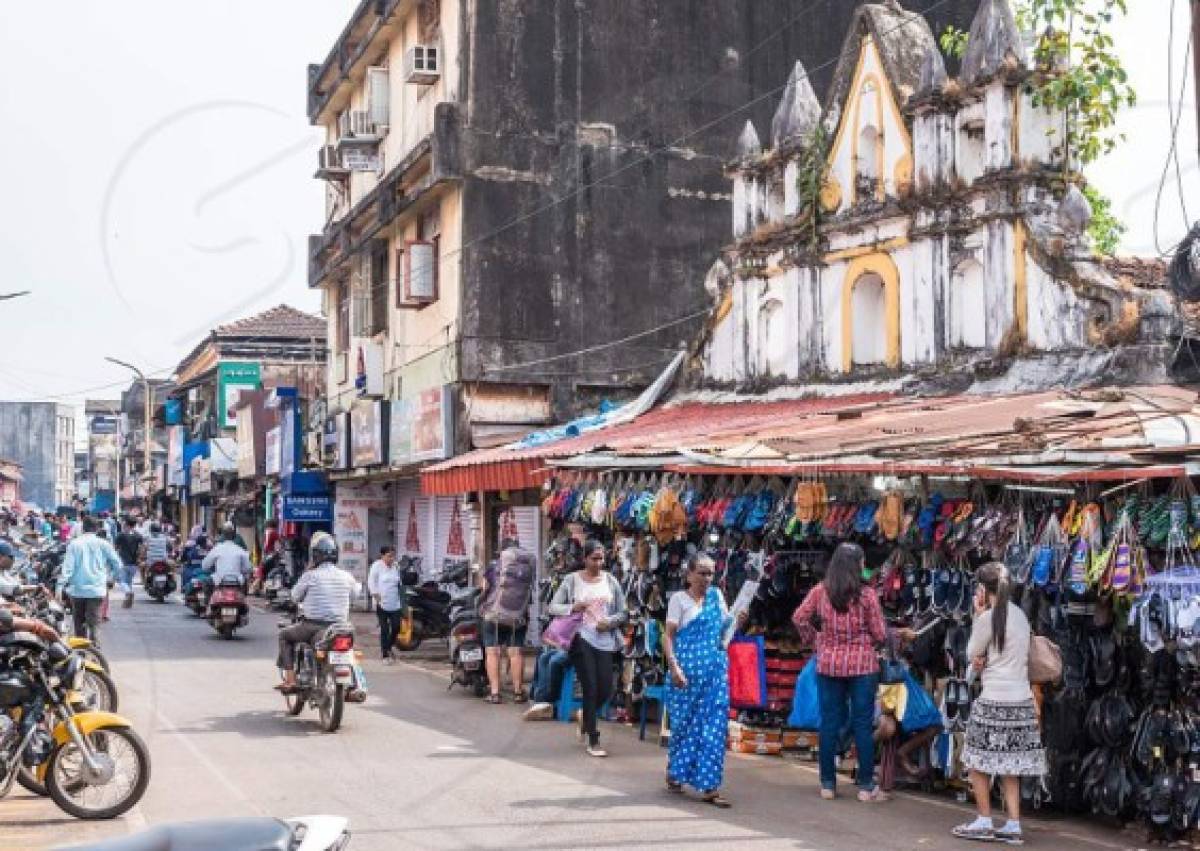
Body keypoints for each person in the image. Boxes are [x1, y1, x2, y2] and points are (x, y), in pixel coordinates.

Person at [792, 542, 911, 802]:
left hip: (829, 664)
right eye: (862, 562)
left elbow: (799, 618)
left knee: (830, 723)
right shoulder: (867, 595)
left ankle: (827, 785)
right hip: (862, 666)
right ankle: (866, 787)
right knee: (861, 723)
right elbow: (880, 634)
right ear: (857, 565)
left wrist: (816, 641)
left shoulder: (820, 592)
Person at [952, 563, 1046, 845]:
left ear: (982, 590)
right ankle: (1013, 824)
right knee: (1010, 764)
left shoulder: (988, 618)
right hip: (1021, 702)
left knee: (976, 761)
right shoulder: (1020, 617)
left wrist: (978, 616)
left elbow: (971, 653)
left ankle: (983, 819)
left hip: (993, 699)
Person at [664, 553, 747, 806]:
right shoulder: (678, 600)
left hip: (714, 676)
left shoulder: (716, 597)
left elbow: (723, 632)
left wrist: (738, 622)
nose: (706, 578)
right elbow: (668, 637)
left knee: (713, 728)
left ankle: (710, 786)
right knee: (684, 728)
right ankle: (676, 771)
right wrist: (675, 668)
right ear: (689, 574)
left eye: (710, 573)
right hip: (686, 678)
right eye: (701, 572)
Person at [547, 538, 629, 757]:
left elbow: (624, 612)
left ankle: (586, 713)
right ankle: (593, 738)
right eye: (594, 558)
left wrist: (610, 622)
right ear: (585, 558)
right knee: (590, 686)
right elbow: (553, 607)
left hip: (605, 640)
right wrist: (575, 606)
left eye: (602, 558)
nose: (599, 563)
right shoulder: (572, 580)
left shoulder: (611, 581)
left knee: (606, 688)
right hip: (580, 638)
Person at [276, 535, 359, 693]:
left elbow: (294, 596)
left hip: (313, 626)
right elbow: (356, 594)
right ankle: (357, 685)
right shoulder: (347, 576)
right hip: (341, 627)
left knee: (284, 635)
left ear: (315, 556)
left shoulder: (310, 576)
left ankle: (291, 680)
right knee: (351, 650)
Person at [479, 541, 537, 705]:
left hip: (494, 615)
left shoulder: (494, 566)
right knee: (515, 652)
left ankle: (495, 693)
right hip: (518, 616)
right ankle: (518, 692)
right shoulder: (526, 566)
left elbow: (484, 588)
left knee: (492, 652)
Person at [56, 516, 121, 644]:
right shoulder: (104, 544)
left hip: (77, 591)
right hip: (97, 590)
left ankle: (81, 655)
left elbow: (67, 569)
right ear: (96, 529)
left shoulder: (74, 544)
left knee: (79, 625)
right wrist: (111, 578)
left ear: (82, 528)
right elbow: (118, 564)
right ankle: (95, 652)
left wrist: (59, 587)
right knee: (94, 626)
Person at [367, 546, 404, 663]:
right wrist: (375, 595)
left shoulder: (396, 566)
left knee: (397, 626)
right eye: (389, 556)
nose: (391, 559)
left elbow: (400, 584)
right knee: (384, 628)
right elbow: (371, 581)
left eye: (393, 556)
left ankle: (388, 646)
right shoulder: (376, 566)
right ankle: (385, 654)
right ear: (382, 556)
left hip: (395, 603)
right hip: (381, 603)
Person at [203, 523, 253, 588]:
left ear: (223, 535)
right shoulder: (240, 549)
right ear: (234, 536)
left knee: (206, 582)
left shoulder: (217, 548)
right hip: (238, 581)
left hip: (219, 580)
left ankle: (208, 598)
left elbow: (205, 565)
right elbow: (248, 568)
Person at [114, 519, 142, 609]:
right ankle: (128, 602)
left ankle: (128, 593)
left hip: (123, 562)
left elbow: (115, 547)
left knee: (121, 581)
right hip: (134, 563)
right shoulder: (138, 536)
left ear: (127, 525)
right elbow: (142, 548)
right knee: (129, 582)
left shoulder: (121, 535)